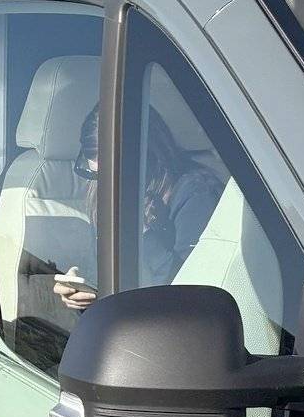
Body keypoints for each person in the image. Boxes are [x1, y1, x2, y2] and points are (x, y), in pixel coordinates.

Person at [54, 109, 224, 311]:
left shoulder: (197, 195)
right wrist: (83, 287)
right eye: (96, 175)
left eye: (111, 173)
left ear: (147, 156)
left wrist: (142, 232)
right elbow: (103, 269)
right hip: (122, 317)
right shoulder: (104, 192)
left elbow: (188, 295)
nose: (104, 185)